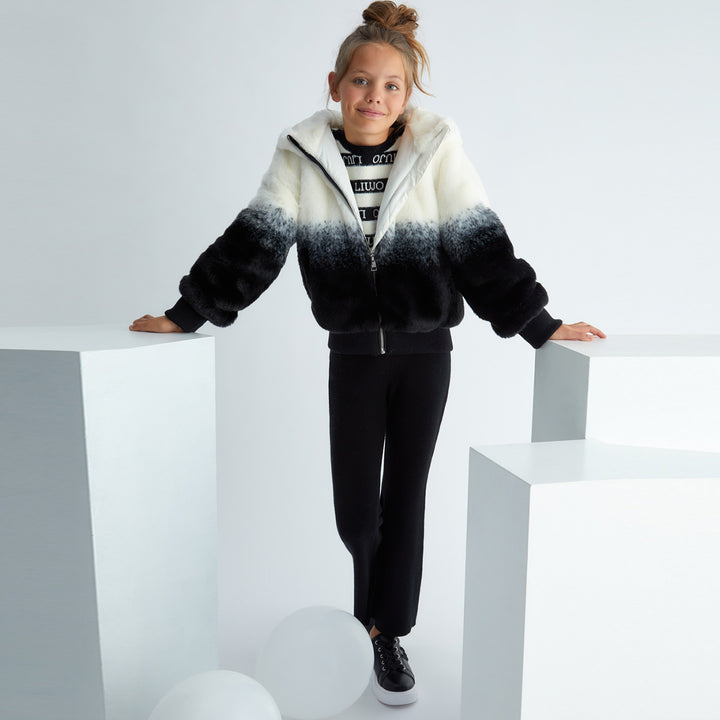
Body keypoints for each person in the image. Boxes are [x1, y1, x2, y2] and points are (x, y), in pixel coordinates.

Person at [130, 0, 605, 707]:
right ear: (334, 84)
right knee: (356, 512)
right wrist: (185, 313)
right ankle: (368, 620)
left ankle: (385, 634)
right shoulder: (301, 155)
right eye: (360, 81)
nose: (373, 96)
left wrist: (538, 322)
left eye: (390, 85)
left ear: (406, 96)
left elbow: (479, 244)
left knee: (405, 497)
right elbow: (256, 240)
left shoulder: (437, 150)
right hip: (352, 354)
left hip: (425, 355)